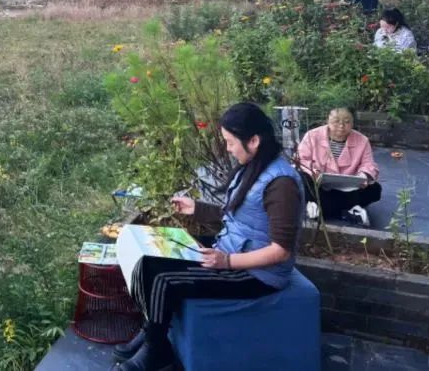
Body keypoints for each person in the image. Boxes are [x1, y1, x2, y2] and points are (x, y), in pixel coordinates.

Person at [112, 103, 303, 371]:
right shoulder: (254, 165)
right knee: (149, 260)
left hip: (258, 274)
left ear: (254, 140)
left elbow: (281, 251)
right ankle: (151, 333)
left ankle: (157, 351)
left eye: (230, 142)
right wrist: (198, 209)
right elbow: (240, 217)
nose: (228, 149)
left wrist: (227, 262)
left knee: (165, 280)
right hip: (231, 249)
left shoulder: (281, 184)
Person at [296, 107, 381, 227]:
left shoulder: (362, 140)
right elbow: (302, 160)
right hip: (319, 187)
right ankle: (347, 211)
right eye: (336, 121)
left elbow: (369, 164)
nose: (341, 126)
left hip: (348, 189)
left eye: (347, 122)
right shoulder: (312, 136)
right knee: (300, 178)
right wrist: (313, 172)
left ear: (352, 123)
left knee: (375, 189)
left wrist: (363, 176)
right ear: (328, 121)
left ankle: (321, 209)